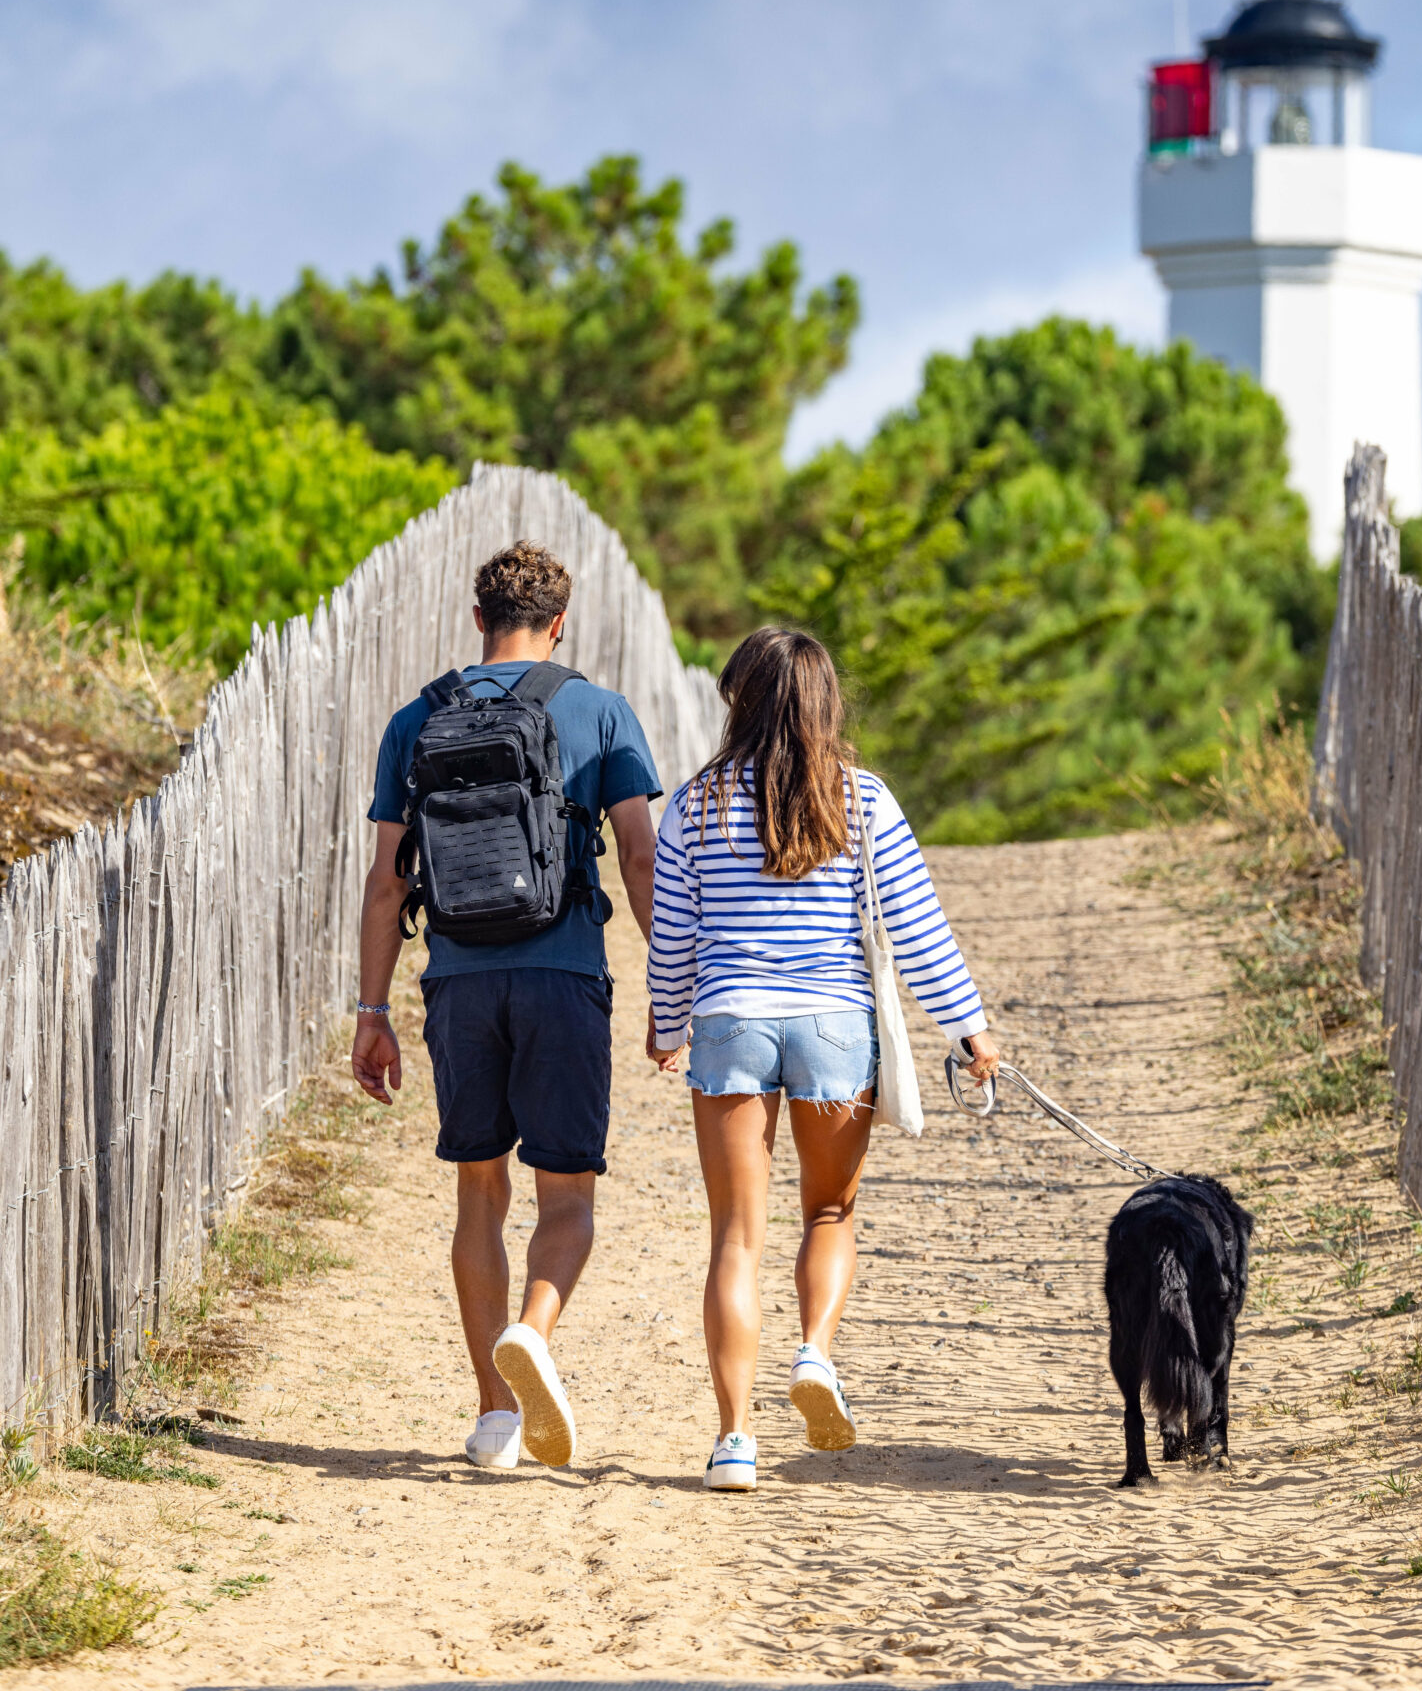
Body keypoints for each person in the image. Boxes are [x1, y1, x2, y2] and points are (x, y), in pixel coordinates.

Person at [646, 625, 999, 1492]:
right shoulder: (864, 799)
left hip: (729, 1021)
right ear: (824, 702)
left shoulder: (692, 805)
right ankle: (814, 1356)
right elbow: (918, 934)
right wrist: (970, 1029)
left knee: (735, 1237)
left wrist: (666, 1026)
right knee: (830, 1214)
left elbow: (674, 938)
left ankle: (733, 1443)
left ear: (741, 700)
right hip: (836, 1024)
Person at [350, 540, 661, 1474]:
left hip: (458, 981)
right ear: (559, 623)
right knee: (566, 1197)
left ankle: (495, 1416)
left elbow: (382, 884)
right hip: (563, 975)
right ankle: (533, 1329)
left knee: (478, 1190)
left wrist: (372, 1011)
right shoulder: (600, 712)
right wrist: (677, 985)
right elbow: (641, 859)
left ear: (477, 618)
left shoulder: (417, 720)